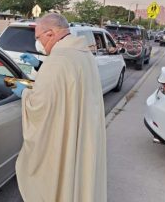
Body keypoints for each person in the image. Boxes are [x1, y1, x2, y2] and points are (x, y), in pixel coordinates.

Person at [12, 13, 107, 202]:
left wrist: (23, 94)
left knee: (62, 180)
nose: (37, 42)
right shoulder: (82, 53)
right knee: (79, 178)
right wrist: (39, 64)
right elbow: (67, 84)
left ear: (50, 33)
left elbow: (41, 105)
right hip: (85, 131)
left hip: (65, 135)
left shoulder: (58, 59)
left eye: (38, 37)